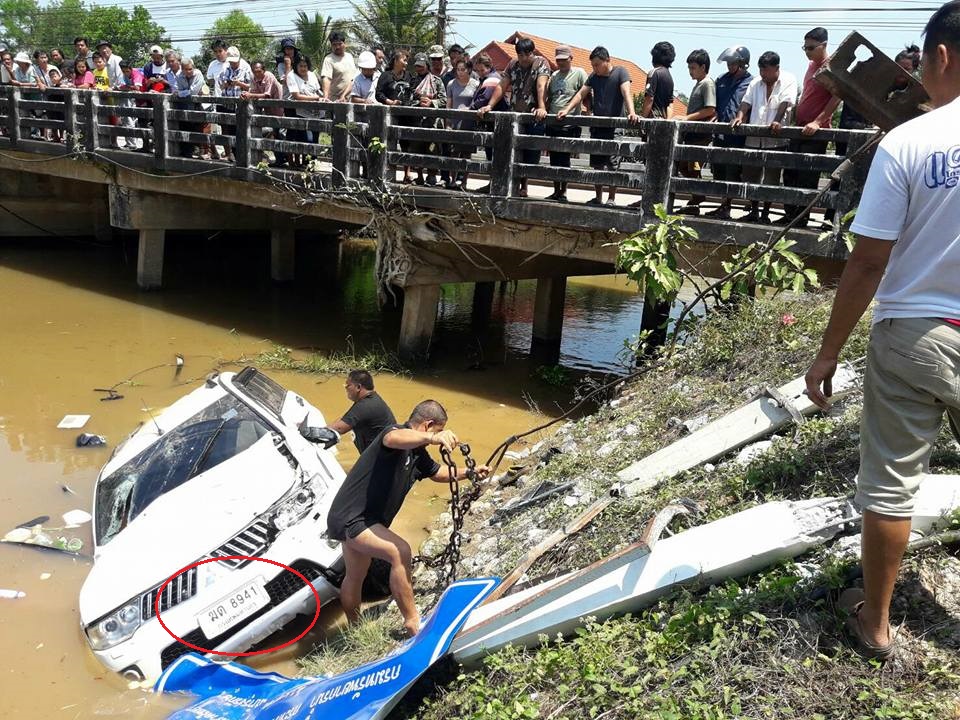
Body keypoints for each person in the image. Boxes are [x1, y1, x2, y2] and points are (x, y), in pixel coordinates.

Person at [804, 0, 960, 663]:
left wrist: (827, 353)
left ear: (941, 56)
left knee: (891, 488)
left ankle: (876, 624)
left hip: (915, 334)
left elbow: (868, 260)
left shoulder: (910, 142)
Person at [326, 399, 490, 636]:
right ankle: (413, 623)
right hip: (351, 517)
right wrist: (433, 438)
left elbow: (437, 473)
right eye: (438, 430)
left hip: (362, 517)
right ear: (428, 425)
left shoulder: (417, 452)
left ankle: (354, 629)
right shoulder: (394, 433)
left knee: (356, 574)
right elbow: (392, 438)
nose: (438, 436)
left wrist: (470, 472)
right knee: (400, 552)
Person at [557, 46, 640, 207]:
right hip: (598, 126)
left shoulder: (621, 72)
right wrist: (566, 109)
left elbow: (626, 92)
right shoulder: (594, 76)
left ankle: (611, 198)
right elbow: (581, 93)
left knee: (612, 164)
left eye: (597, 64)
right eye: (593, 65)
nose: (595, 68)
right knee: (597, 164)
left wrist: (632, 112)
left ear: (607, 60)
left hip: (615, 126)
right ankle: (598, 197)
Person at [778, 27, 840, 228]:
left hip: (816, 132)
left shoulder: (831, 66)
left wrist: (818, 122)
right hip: (800, 127)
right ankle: (790, 215)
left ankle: (800, 218)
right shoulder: (811, 65)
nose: (807, 51)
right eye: (805, 47)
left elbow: (837, 96)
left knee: (807, 176)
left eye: (811, 48)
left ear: (824, 45)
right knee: (790, 173)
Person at [477, 37, 551, 198]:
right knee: (506, 149)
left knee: (530, 153)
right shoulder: (513, 64)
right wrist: (490, 105)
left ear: (532, 53)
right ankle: (500, 184)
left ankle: (523, 186)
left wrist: (541, 106)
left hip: (533, 115)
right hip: (515, 113)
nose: (523, 58)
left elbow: (542, 85)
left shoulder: (541, 63)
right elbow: (502, 85)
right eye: (520, 55)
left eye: (526, 55)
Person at [730, 51, 797, 224]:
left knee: (771, 179)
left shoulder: (788, 80)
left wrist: (777, 121)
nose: (763, 74)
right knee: (750, 175)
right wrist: (740, 117)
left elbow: (785, 102)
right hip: (754, 138)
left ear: (776, 68)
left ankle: (765, 213)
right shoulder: (755, 83)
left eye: (766, 70)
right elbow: (746, 102)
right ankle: (754, 211)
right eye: (761, 70)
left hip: (776, 140)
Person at [703, 45, 753, 219]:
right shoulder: (722, 80)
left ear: (743, 63)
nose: (730, 66)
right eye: (728, 63)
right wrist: (715, 115)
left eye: (733, 63)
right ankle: (722, 205)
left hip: (737, 135)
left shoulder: (751, 82)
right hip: (720, 131)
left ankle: (728, 205)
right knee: (718, 170)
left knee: (732, 171)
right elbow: (715, 104)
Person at [673, 49, 717, 215]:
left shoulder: (707, 83)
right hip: (692, 134)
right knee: (685, 165)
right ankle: (697, 196)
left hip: (700, 135)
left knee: (693, 167)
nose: (690, 71)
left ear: (703, 67)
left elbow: (710, 109)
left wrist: (687, 118)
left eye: (693, 68)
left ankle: (697, 197)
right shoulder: (699, 83)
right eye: (689, 68)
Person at [544, 45, 587, 202]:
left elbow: (587, 93)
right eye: (558, 60)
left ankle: (563, 191)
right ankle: (556, 190)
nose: (561, 63)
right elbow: (549, 97)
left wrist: (589, 111)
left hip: (569, 123)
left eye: (564, 60)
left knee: (565, 159)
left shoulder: (579, 73)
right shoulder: (554, 76)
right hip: (553, 122)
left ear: (571, 59)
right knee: (554, 159)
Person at [325, 370, 397, 453]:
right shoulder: (369, 400)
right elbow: (345, 419)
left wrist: (314, 432)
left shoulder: (366, 406)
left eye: (348, 385)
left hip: (381, 458)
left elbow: (339, 428)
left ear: (358, 387)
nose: (345, 388)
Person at [376, 49, 415, 183]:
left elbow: (413, 92)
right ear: (396, 60)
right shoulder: (385, 76)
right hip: (389, 115)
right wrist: (390, 102)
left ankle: (407, 174)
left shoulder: (409, 76)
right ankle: (388, 173)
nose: (406, 63)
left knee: (406, 144)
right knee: (389, 143)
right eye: (404, 60)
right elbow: (379, 94)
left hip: (406, 115)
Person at [410, 53, 446, 186]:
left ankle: (431, 176)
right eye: (417, 66)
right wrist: (418, 103)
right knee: (416, 149)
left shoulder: (437, 81)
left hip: (433, 122)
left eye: (421, 66)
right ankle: (419, 176)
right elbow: (407, 100)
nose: (419, 69)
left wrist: (431, 102)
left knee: (433, 149)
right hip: (417, 122)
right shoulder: (413, 82)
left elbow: (444, 100)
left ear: (427, 66)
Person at [469, 53, 507, 175]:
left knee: (494, 152)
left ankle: (494, 180)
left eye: (482, 70)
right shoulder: (488, 78)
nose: (480, 73)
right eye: (478, 70)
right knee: (492, 152)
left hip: (496, 122)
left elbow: (483, 99)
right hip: (493, 121)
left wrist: (471, 109)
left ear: (489, 67)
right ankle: (492, 180)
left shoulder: (492, 79)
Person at [445, 58, 479, 189]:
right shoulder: (451, 84)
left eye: (462, 69)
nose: (460, 72)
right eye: (458, 69)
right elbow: (449, 105)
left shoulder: (475, 84)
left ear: (469, 70)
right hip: (455, 121)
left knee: (466, 154)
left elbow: (477, 102)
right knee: (454, 153)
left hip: (469, 122)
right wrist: (447, 123)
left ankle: (464, 181)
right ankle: (452, 180)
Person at [242, 60, 284, 165]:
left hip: (279, 109)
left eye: (259, 71)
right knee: (271, 134)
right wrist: (246, 94)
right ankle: (275, 158)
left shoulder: (268, 76)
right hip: (268, 110)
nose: (257, 74)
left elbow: (266, 95)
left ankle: (282, 159)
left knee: (279, 134)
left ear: (264, 70)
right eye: (254, 71)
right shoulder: (253, 78)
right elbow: (253, 91)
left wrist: (250, 95)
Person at [286, 55, 323, 167]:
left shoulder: (312, 75)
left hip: (317, 112)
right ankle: (305, 163)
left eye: (305, 66)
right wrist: (315, 98)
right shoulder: (291, 76)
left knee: (315, 139)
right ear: (296, 66)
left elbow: (318, 90)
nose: (303, 68)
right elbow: (296, 96)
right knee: (307, 139)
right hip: (302, 112)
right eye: (300, 66)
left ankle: (311, 165)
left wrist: (323, 98)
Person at [218, 47, 252, 161]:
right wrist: (227, 84)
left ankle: (243, 156)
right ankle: (233, 155)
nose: (233, 63)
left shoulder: (246, 67)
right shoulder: (225, 67)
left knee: (242, 130)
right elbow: (220, 85)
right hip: (227, 103)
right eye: (231, 61)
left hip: (241, 104)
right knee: (229, 130)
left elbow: (251, 86)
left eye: (234, 61)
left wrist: (239, 83)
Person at [174, 57, 211, 158]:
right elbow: (180, 91)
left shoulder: (198, 74)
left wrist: (182, 93)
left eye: (190, 69)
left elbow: (193, 92)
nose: (188, 71)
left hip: (200, 105)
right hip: (186, 106)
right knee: (186, 128)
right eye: (186, 69)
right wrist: (184, 93)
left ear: (193, 67)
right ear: (182, 69)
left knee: (202, 129)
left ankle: (205, 152)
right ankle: (188, 153)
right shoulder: (179, 75)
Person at [642, 41, 676, 119]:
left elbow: (649, 98)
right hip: (664, 120)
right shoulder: (670, 77)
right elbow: (670, 104)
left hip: (653, 119)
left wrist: (643, 118)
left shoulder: (654, 72)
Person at [320, 31, 357, 102]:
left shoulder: (349, 56)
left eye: (340, 44)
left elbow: (354, 79)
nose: (337, 47)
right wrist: (325, 97)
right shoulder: (329, 59)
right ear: (331, 45)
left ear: (344, 43)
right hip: (336, 100)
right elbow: (326, 79)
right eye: (334, 44)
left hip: (351, 99)